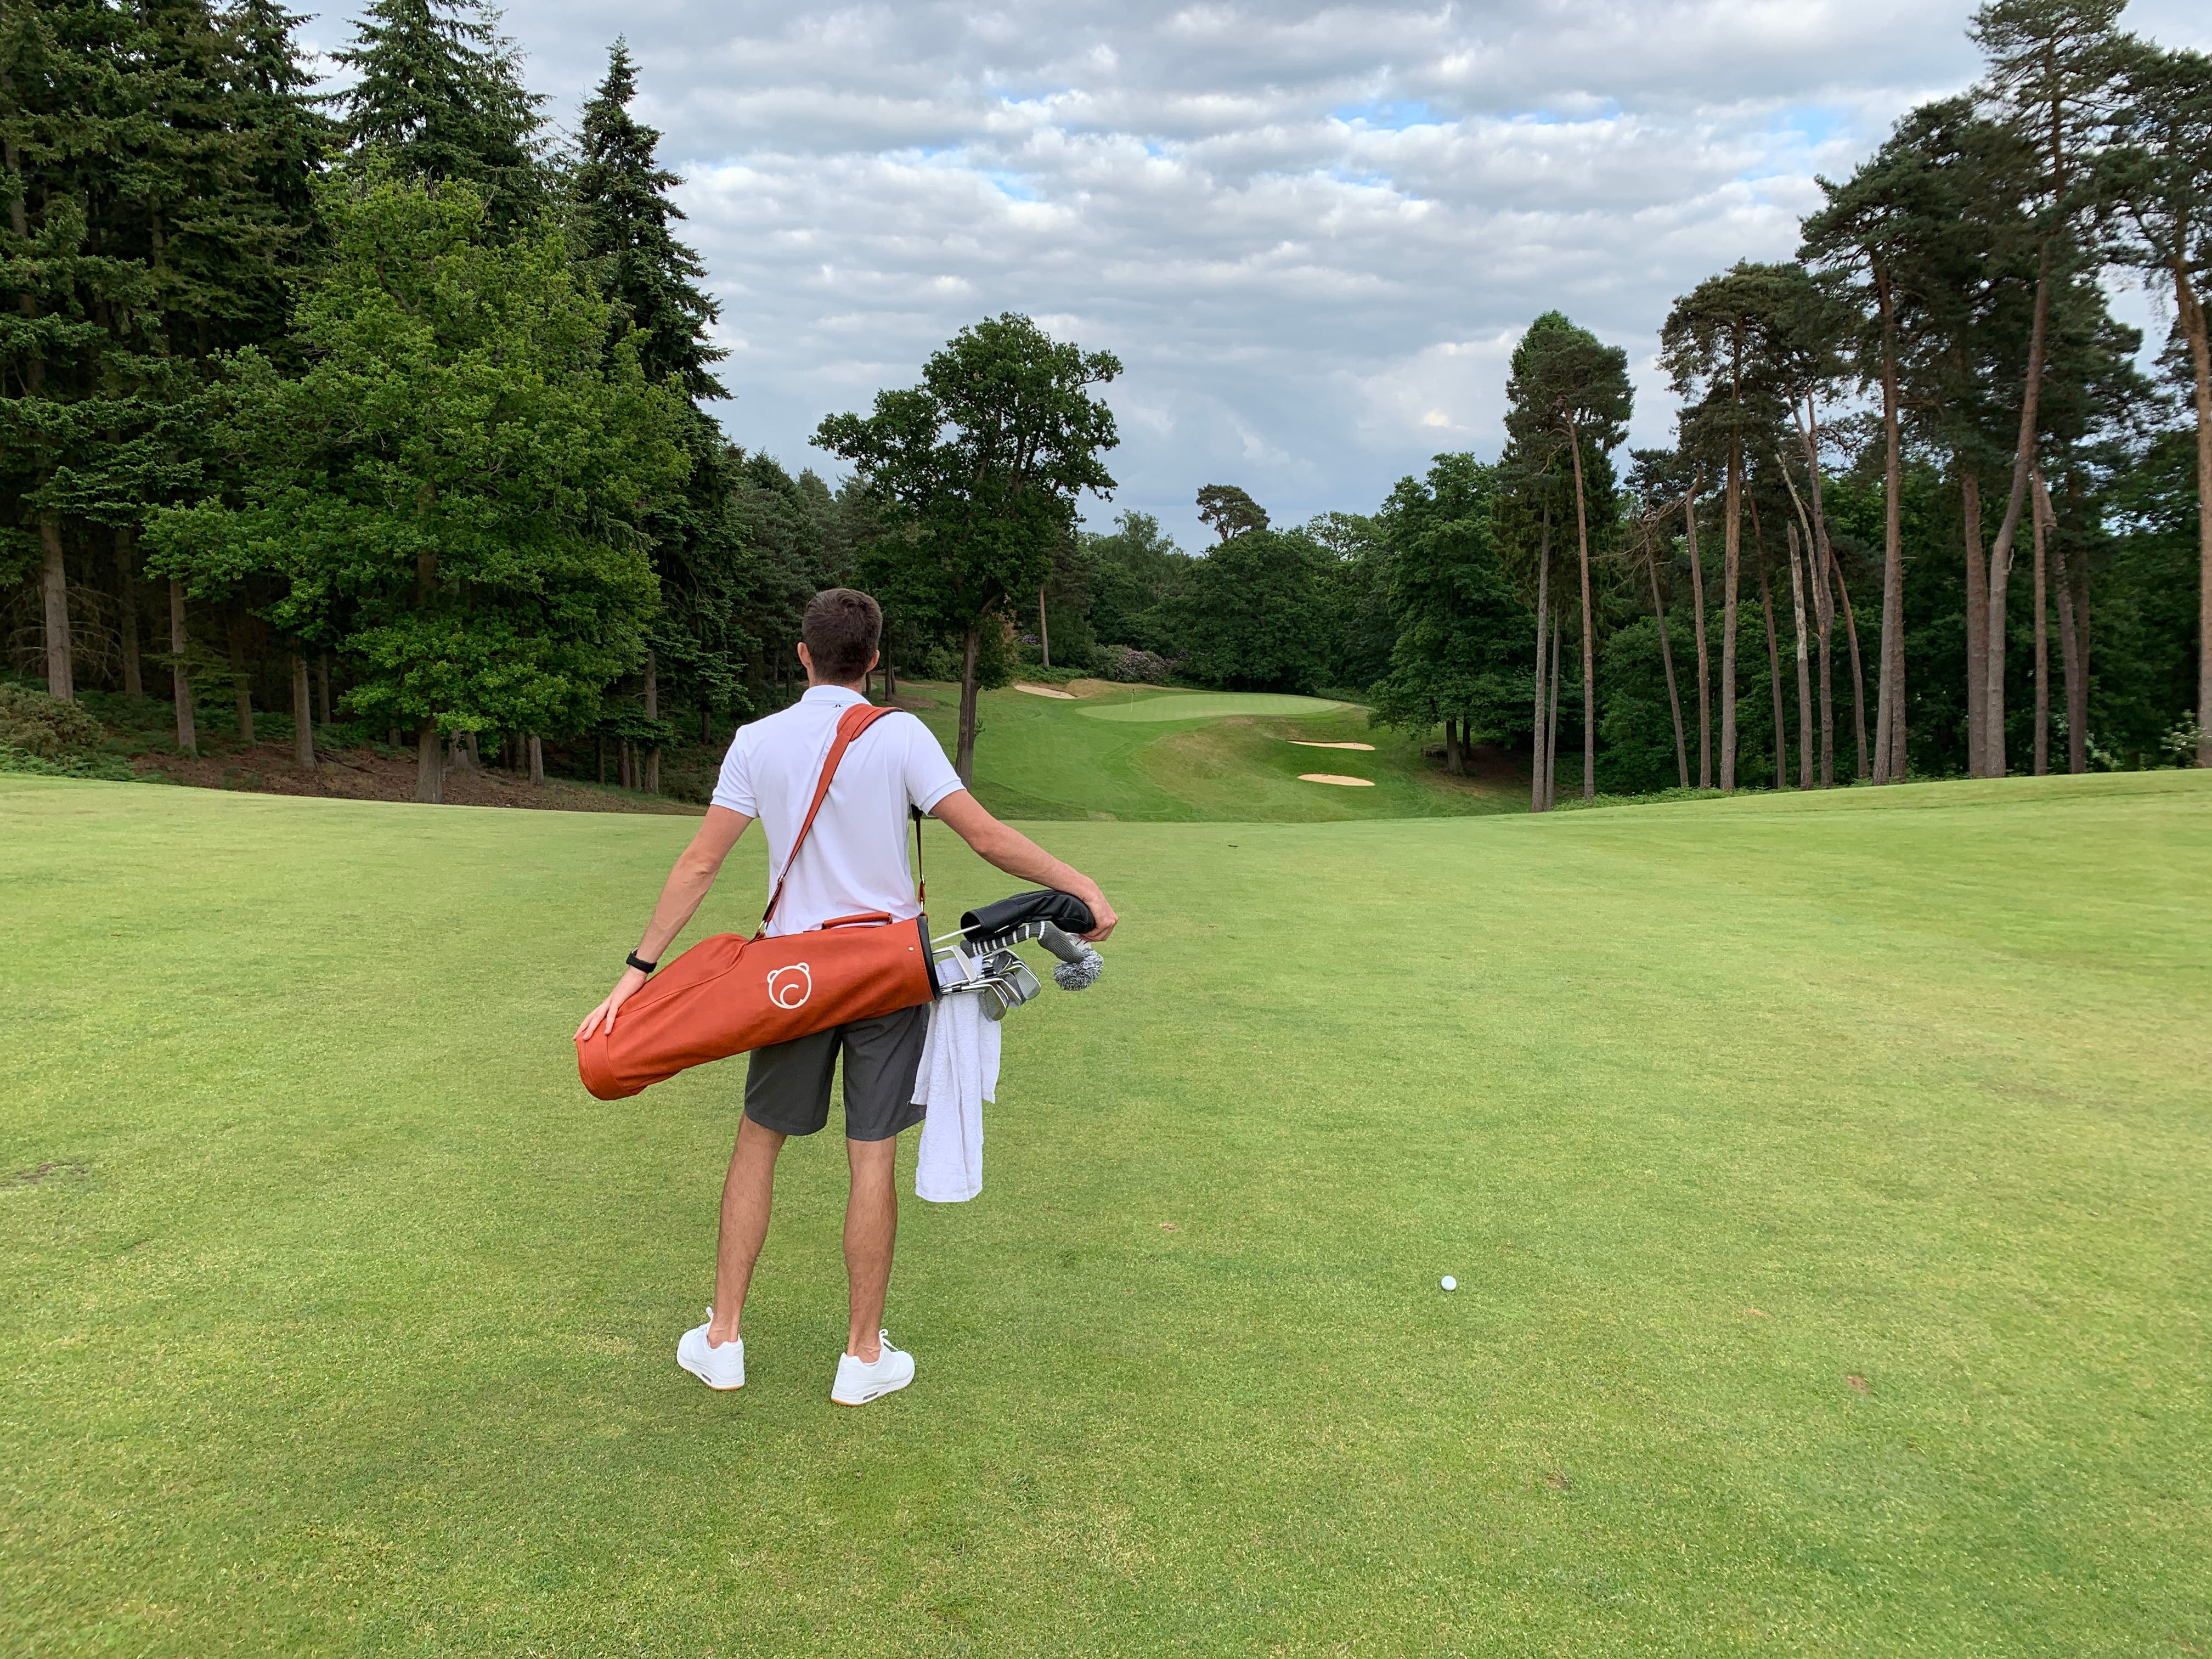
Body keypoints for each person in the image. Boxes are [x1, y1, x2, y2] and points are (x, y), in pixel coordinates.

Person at [575, 589, 1116, 1406]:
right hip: (887, 972)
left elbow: (698, 863)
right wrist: (1079, 884)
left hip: (791, 981)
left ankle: (723, 1341)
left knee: (759, 1144)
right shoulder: (900, 733)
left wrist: (635, 974)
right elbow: (983, 834)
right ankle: (861, 1358)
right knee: (872, 1156)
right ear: (872, 659)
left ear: (803, 654)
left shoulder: (758, 741)